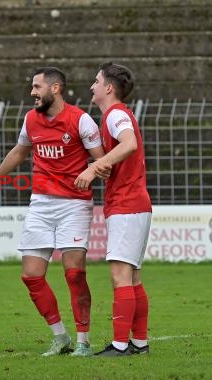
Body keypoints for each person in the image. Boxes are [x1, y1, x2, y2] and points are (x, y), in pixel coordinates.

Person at [0, 67, 107, 357]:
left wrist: (91, 170)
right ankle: (60, 337)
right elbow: (18, 151)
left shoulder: (81, 120)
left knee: (74, 274)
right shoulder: (31, 120)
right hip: (40, 204)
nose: (32, 92)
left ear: (55, 88)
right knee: (31, 276)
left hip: (74, 204)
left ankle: (84, 341)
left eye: (37, 87)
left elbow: (103, 161)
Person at [74, 62, 152, 356]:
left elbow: (129, 143)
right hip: (135, 203)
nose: (92, 86)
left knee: (120, 275)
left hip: (128, 204)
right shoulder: (118, 115)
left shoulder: (115, 113)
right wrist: (105, 164)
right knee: (132, 277)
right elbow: (126, 149)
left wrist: (94, 167)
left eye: (96, 81)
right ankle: (139, 343)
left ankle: (120, 345)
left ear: (109, 87)